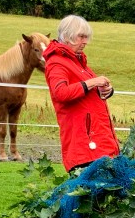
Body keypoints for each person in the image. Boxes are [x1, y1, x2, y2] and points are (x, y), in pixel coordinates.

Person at [43, 15, 121, 172]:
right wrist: (92, 82)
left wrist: (105, 90)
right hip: (84, 147)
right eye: (81, 37)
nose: (85, 41)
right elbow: (60, 93)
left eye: (86, 37)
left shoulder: (77, 62)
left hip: (98, 143)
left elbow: (88, 92)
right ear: (67, 36)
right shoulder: (57, 63)